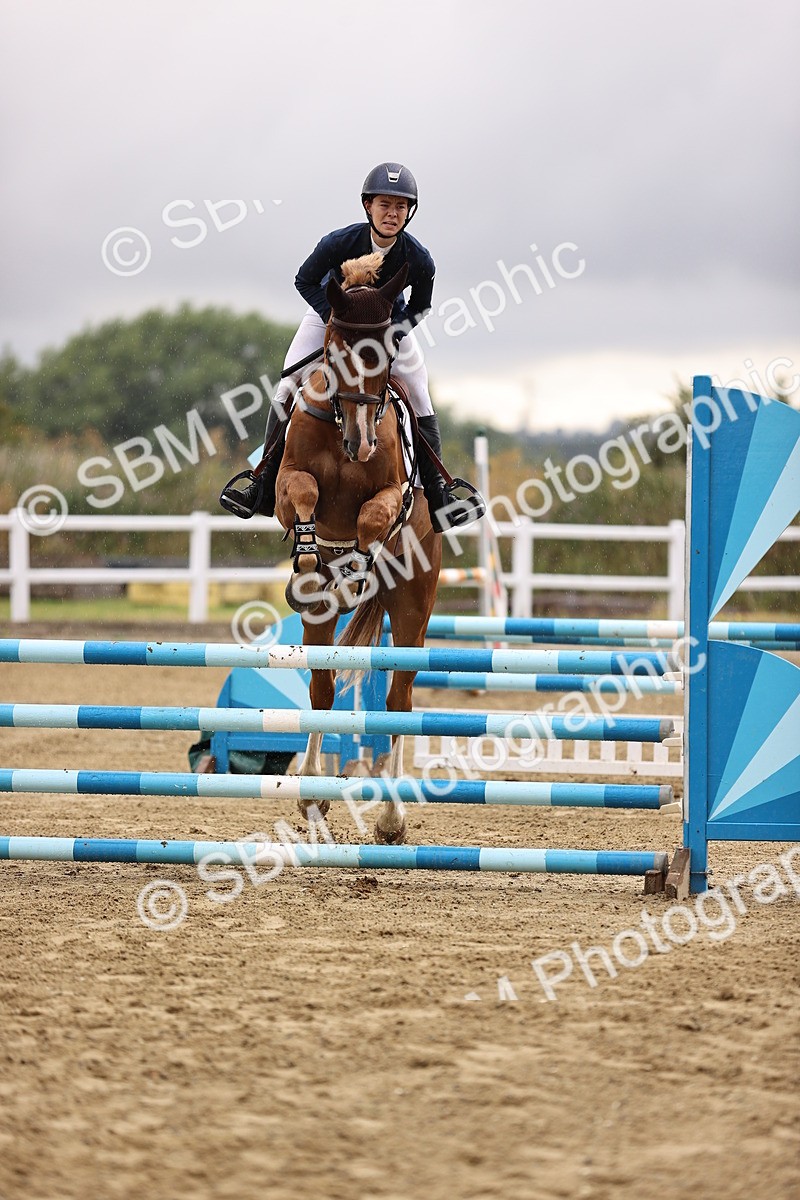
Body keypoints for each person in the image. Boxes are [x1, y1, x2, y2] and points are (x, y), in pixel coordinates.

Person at [221, 161, 482, 531]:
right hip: (332, 320)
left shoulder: (418, 258)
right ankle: (262, 483)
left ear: (409, 212)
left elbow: (421, 306)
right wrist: (336, 317)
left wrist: (391, 334)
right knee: (287, 385)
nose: (392, 214)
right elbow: (304, 280)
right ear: (368, 207)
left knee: (420, 395)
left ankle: (439, 495)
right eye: (384, 205)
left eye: (400, 207)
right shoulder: (339, 243)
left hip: (384, 329)